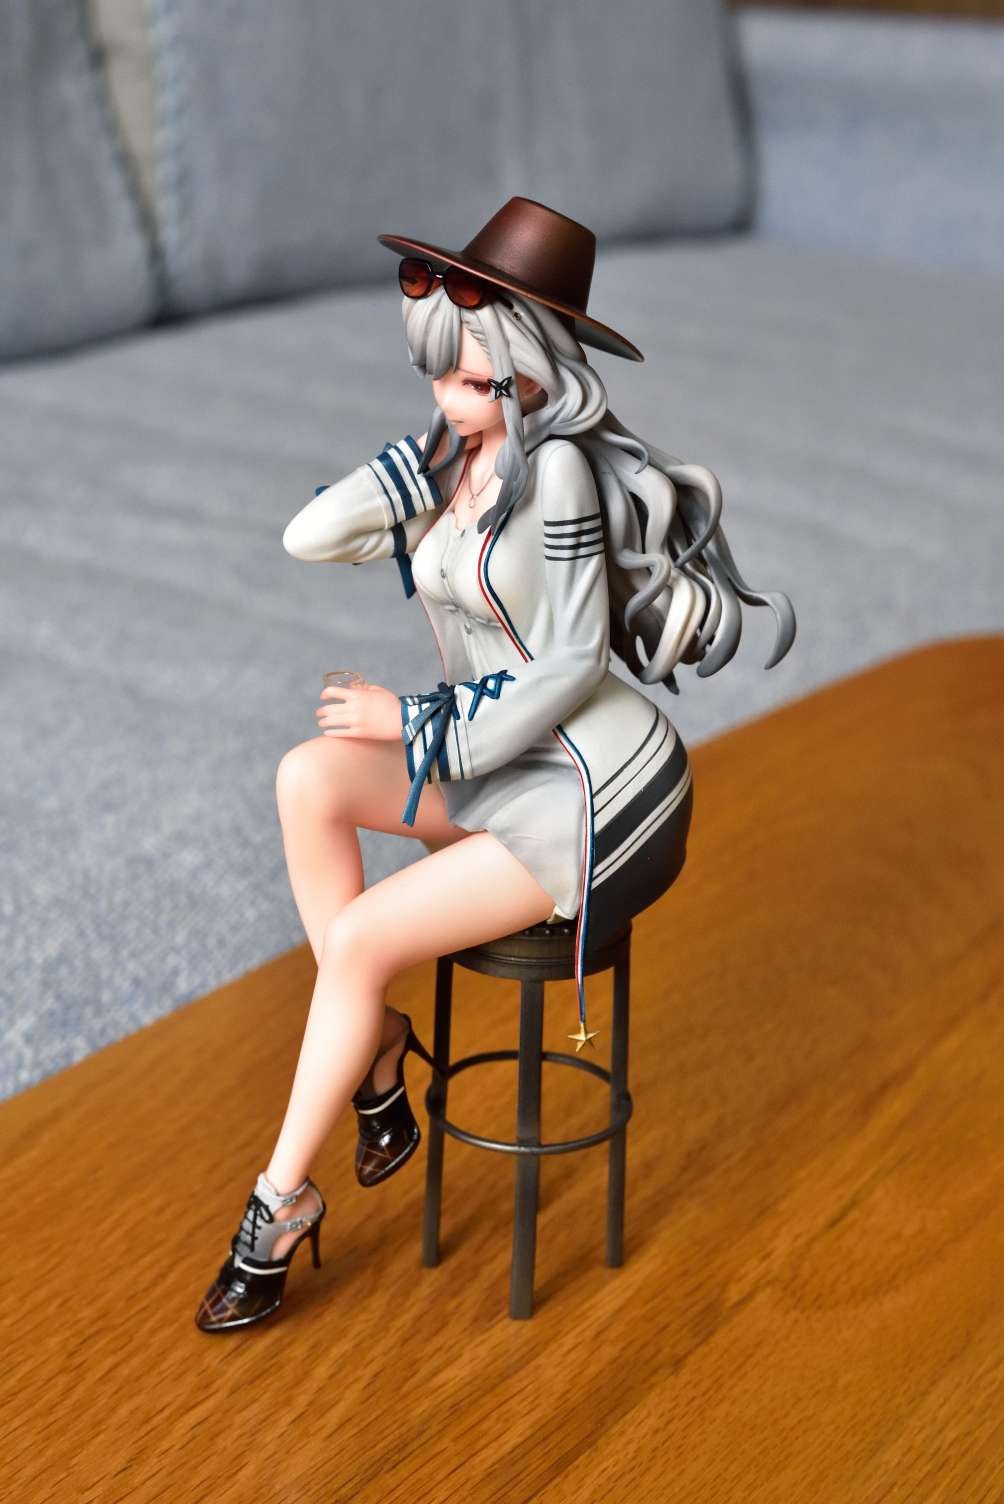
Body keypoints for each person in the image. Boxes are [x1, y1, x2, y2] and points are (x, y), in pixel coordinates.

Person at [194, 198, 796, 1332]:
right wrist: (426, 457)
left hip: (591, 791)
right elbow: (307, 536)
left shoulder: (558, 474)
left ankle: (279, 1199)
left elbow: (568, 665)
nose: (448, 397)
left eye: (473, 379)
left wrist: (412, 720)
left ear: (534, 371)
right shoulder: (455, 460)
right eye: (437, 372)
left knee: (360, 940)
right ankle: (376, 1049)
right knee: (307, 777)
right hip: (493, 763)